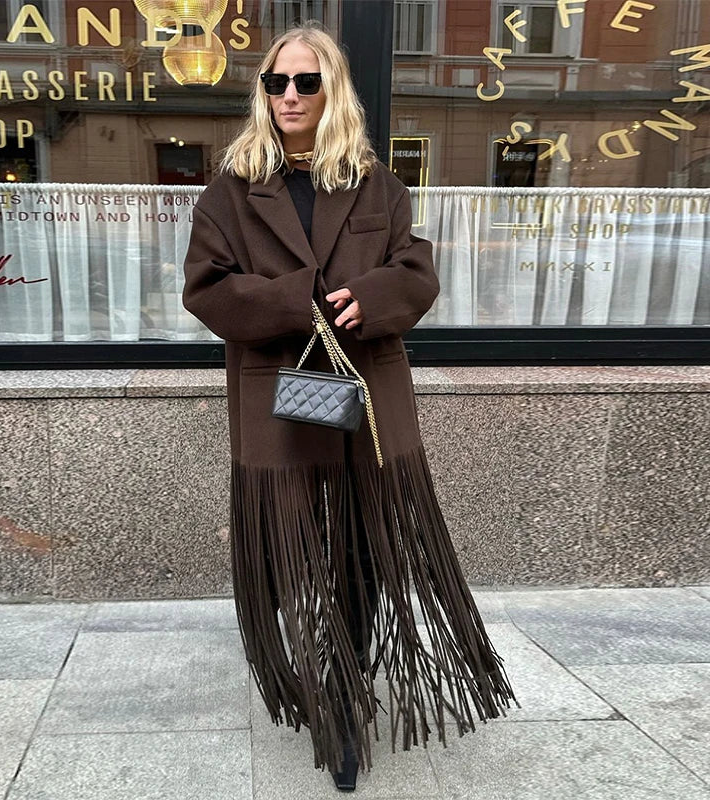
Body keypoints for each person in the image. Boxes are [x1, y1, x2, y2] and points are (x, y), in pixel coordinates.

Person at [182, 20, 520, 792]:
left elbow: (416, 270)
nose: (289, 95)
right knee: (299, 554)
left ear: (332, 90)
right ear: (262, 93)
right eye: (276, 82)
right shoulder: (231, 189)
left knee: (364, 553)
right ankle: (322, 684)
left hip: (367, 398)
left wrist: (370, 298)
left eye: (305, 81)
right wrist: (292, 300)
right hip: (281, 399)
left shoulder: (377, 184)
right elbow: (204, 287)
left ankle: (349, 686)